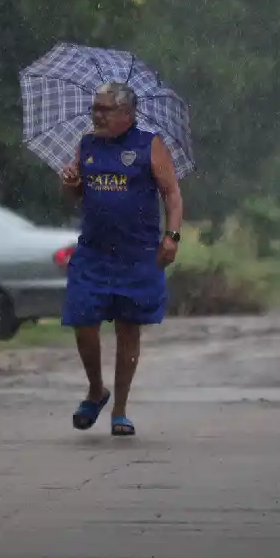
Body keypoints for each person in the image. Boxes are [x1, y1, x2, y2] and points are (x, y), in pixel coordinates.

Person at [59, 81, 183, 437]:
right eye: (94, 107)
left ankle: (120, 410)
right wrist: (70, 183)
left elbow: (172, 194)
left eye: (104, 109)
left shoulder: (149, 145)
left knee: (129, 329)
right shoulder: (88, 145)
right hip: (93, 253)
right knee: (82, 322)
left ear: (126, 114)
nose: (96, 114)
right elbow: (75, 197)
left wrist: (171, 237)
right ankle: (96, 390)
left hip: (138, 255)